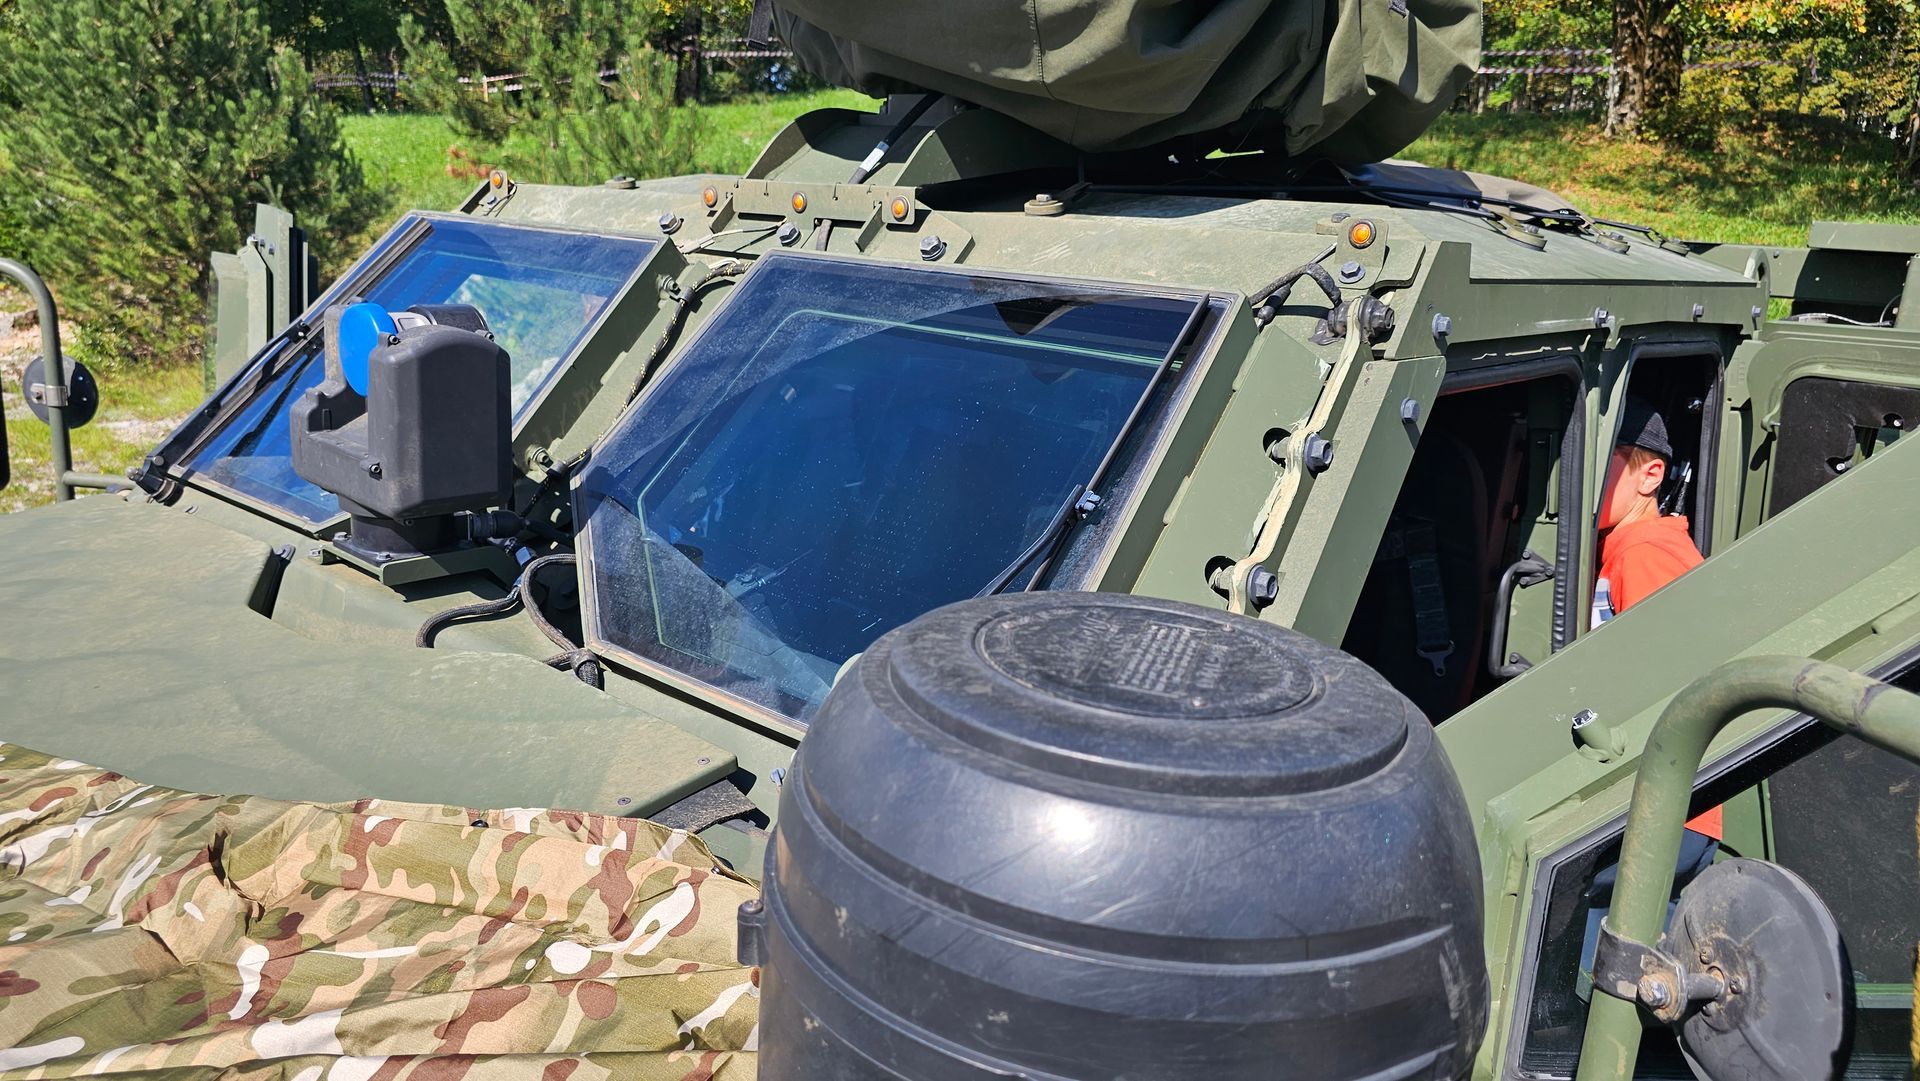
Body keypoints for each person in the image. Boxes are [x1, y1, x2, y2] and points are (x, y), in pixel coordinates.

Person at [1594, 396, 1718, 841]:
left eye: (1602, 466)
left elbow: (1664, 693)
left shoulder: (1646, 554)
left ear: (1650, 476)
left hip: (1666, 811)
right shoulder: (1622, 549)